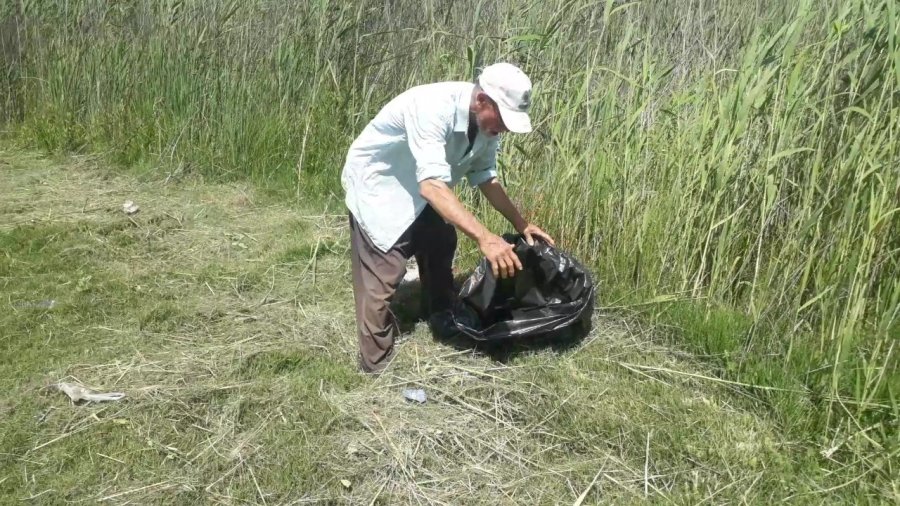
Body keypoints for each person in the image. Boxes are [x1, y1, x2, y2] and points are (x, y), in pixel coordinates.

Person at [341, 62, 555, 373]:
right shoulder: (431, 108)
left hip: (425, 186)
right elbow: (430, 187)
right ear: (482, 100)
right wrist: (485, 237)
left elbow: (485, 176)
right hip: (381, 185)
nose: (505, 128)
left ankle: (441, 313)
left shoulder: (486, 124)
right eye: (504, 119)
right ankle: (375, 366)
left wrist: (521, 224)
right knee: (382, 278)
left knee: (441, 242)